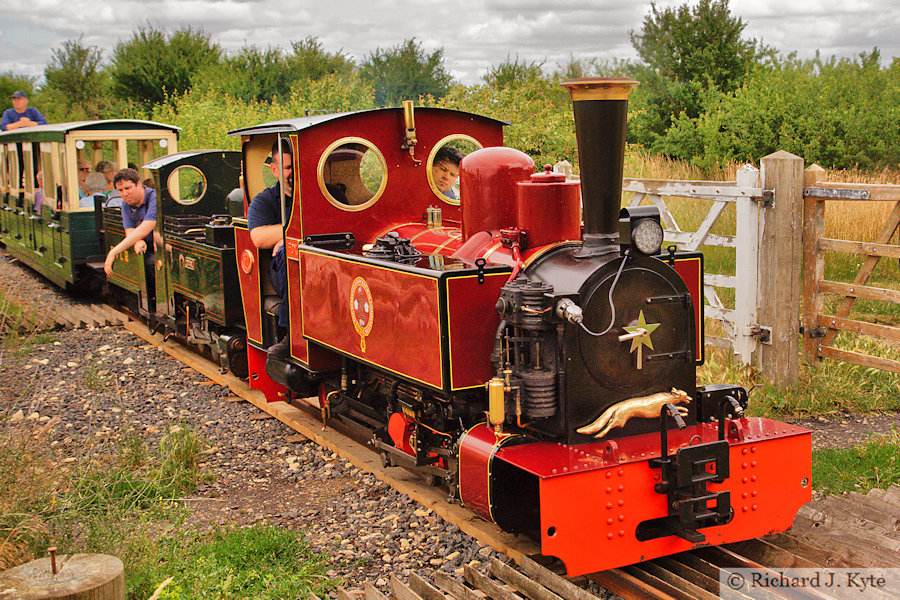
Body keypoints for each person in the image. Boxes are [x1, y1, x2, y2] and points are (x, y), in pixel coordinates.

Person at [248, 141, 293, 359]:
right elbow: (258, 237)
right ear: (274, 169)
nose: (292, 173)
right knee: (287, 253)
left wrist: (284, 237)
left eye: (295, 167)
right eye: (286, 168)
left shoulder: (328, 194)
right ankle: (290, 334)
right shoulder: (264, 201)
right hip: (282, 270)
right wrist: (289, 234)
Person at [103, 168, 157, 276]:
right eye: (121, 190)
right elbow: (130, 230)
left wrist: (113, 252)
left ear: (138, 183)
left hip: (160, 247)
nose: (125, 194)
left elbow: (145, 228)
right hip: (147, 247)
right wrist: (137, 241)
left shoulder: (154, 198)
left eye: (128, 188)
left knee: (152, 264)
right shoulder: (126, 204)